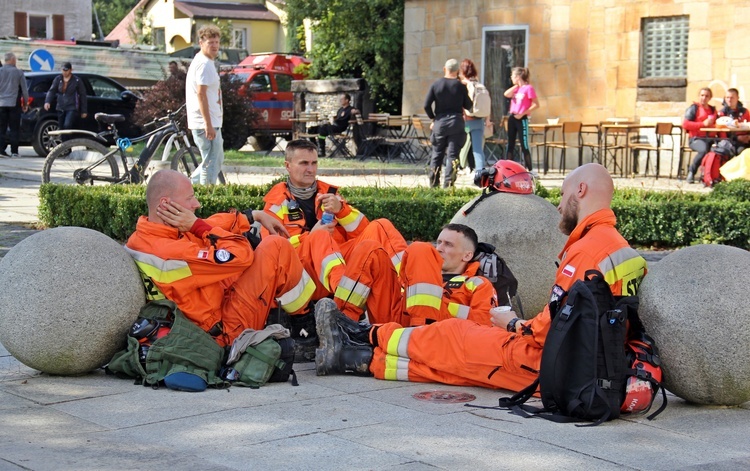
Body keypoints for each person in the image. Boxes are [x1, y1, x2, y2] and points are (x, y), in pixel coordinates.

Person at [314, 163, 648, 392]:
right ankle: (355, 358)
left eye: (562, 195)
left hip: (553, 362)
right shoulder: (621, 249)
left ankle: (362, 337)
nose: (559, 206)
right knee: (454, 364)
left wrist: (516, 325)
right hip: (579, 364)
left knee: (454, 341)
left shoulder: (587, 250)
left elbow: (551, 326)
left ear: (582, 190)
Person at [124, 169, 316, 348]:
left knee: (252, 249)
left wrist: (253, 215)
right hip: (226, 333)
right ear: (166, 205)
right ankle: (304, 326)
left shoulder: (148, 235)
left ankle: (280, 314)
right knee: (276, 247)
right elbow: (241, 257)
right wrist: (198, 226)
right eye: (190, 198)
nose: (196, 203)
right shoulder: (171, 252)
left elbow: (209, 223)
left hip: (213, 316)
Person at [262, 139, 407, 349]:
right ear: (287, 165)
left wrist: (342, 210)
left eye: (314, 163)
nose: (310, 169)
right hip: (303, 275)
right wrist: (311, 236)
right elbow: (274, 249)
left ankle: (408, 286)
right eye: (304, 163)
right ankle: (344, 306)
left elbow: (363, 232)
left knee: (381, 226)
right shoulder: (276, 202)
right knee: (321, 237)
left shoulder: (329, 193)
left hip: (335, 266)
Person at [399, 224, 498, 327]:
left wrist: (439, 303)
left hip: (439, 333)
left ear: (467, 255)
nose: (439, 249)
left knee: (420, 247)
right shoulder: (417, 276)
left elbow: (485, 322)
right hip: (398, 325)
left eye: (448, 244)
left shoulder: (478, 284)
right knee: (382, 226)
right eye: (439, 242)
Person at [424, 58, 473, 188]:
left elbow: (426, 105)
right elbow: (469, 106)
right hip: (456, 123)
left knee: (437, 154)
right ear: (457, 71)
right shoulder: (460, 86)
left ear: (444, 69)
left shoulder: (436, 84)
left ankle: (434, 184)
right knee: (453, 155)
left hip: (440, 122)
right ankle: (448, 184)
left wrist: (433, 118)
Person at [186, 25, 224, 184]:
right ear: (201, 43)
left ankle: (186, 186)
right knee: (210, 163)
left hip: (210, 121)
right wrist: (207, 124)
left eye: (216, 42)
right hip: (206, 123)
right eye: (210, 42)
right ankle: (205, 198)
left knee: (214, 160)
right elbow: (201, 94)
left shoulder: (203, 61)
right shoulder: (204, 64)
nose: (214, 45)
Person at [503, 67, 539, 171]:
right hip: (512, 117)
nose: (511, 77)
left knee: (524, 144)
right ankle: (508, 169)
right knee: (510, 143)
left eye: (513, 76)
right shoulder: (516, 89)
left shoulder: (529, 88)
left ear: (518, 76)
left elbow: (536, 104)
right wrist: (516, 85)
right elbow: (506, 94)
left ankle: (530, 170)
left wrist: (523, 113)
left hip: (521, 118)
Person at [457, 59, 488, 177]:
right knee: (478, 149)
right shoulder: (480, 84)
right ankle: (480, 173)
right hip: (479, 121)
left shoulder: (464, 85)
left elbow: (463, 104)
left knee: (460, 146)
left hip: (467, 122)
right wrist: (487, 119)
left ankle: (459, 167)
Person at [44, 62, 87, 142]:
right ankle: (64, 146)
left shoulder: (76, 80)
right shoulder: (58, 79)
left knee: (67, 125)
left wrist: (84, 110)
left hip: (71, 106)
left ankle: (68, 144)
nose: (64, 72)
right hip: (60, 106)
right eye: (63, 70)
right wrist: (47, 101)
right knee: (62, 128)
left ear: (70, 70)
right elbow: (52, 91)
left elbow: (82, 95)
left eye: (66, 70)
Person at [683, 87, 718, 184]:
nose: (704, 98)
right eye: (702, 95)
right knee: (703, 150)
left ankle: (711, 176)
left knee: (721, 149)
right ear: (699, 96)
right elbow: (685, 124)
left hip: (710, 138)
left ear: (710, 98)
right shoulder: (694, 108)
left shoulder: (712, 110)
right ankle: (691, 171)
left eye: (707, 96)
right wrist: (703, 124)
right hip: (696, 139)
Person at [309, 93, 358, 157]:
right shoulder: (340, 109)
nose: (340, 100)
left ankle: (322, 151)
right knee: (311, 129)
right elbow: (336, 118)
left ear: (347, 100)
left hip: (339, 127)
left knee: (322, 130)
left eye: (342, 99)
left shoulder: (350, 109)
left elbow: (356, 111)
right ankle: (315, 148)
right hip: (333, 125)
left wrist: (355, 111)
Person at [0, 52, 29, 158]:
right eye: (15, 59)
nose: (16, 61)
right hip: (14, 104)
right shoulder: (18, 72)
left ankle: (1, 150)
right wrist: (25, 103)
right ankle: (14, 152)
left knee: (1, 128)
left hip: (1, 104)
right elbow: (25, 90)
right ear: (11, 60)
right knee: (14, 128)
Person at [718, 88, 750, 155]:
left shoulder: (745, 111)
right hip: (731, 141)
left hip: (746, 138)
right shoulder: (722, 113)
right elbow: (722, 134)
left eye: (732, 98)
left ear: (737, 98)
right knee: (742, 151)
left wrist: (748, 136)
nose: (729, 100)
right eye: (727, 97)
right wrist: (737, 138)